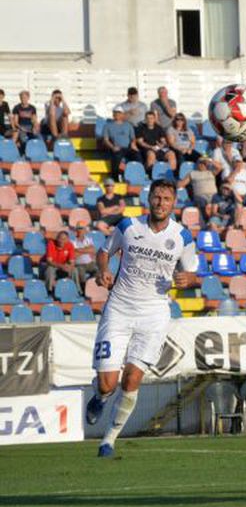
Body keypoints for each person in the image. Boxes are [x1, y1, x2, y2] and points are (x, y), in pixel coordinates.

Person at [85, 180, 200, 457]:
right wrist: (103, 271)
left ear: (174, 204)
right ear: (149, 200)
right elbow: (103, 252)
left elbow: (193, 272)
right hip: (120, 308)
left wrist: (188, 279)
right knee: (107, 384)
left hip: (154, 313)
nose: (161, 203)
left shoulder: (183, 237)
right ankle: (100, 397)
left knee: (132, 379)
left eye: (167, 199)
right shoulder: (129, 227)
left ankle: (108, 441)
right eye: (157, 197)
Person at [99, 108, 136, 176]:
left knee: (137, 155)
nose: (117, 114)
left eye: (119, 113)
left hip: (127, 148)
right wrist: (113, 147)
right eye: (115, 113)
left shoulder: (128, 125)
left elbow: (133, 138)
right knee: (117, 157)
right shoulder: (107, 126)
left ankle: (137, 175)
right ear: (113, 114)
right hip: (116, 148)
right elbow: (105, 140)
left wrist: (133, 144)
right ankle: (115, 176)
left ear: (123, 115)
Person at [42, 229, 78, 295]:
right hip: (52, 265)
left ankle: (77, 290)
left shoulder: (70, 245)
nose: (61, 241)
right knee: (50, 270)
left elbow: (72, 261)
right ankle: (49, 291)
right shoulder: (51, 244)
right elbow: (49, 261)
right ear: (57, 238)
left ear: (67, 240)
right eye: (60, 238)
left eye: (64, 239)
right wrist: (61, 266)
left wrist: (69, 266)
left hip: (63, 266)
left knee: (74, 270)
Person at [70, 222, 99, 288]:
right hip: (79, 264)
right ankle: (83, 289)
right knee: (81, 274)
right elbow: (74, 254)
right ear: (76, 230)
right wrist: (87, 250)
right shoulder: (72, 241)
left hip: (89, 263)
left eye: (82, 228)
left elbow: (93, 250)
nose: (81, 230)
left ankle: (91, 285)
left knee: (99, 271)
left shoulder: (88, 239)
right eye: (79, 228)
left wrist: (78, 250)